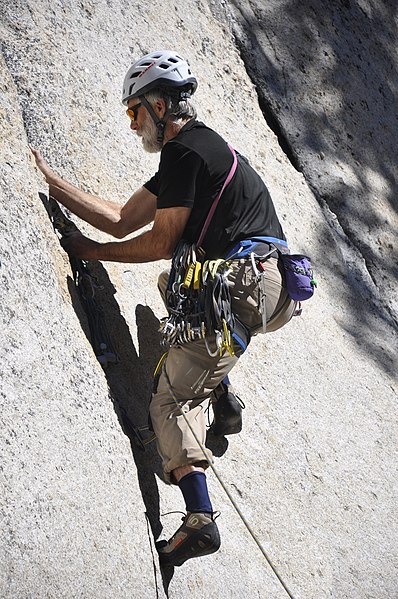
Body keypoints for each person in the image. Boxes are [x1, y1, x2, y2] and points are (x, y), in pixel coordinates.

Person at [31, 50, 296, 567]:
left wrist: (89, 254)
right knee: (173, 288)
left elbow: (158, 240)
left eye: (134, 113)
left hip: (247, 283)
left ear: (158, 105)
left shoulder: (185, 154)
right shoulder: (197, 151)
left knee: (166, 406)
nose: (133, 126)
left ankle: (199, 519)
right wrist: (49, 180)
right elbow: (119, 218)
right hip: (268, 283)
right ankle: (220, 396)